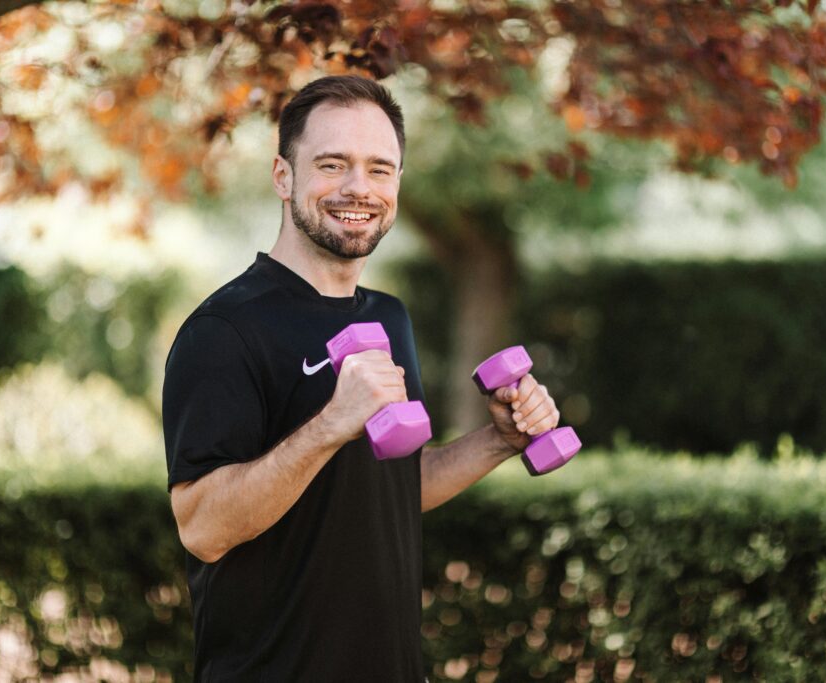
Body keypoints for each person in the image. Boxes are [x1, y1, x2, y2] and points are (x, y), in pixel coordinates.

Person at [162, 75, 561, 682]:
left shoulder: (389, 317)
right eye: (332, 164)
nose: (359, 188)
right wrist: (330, 424)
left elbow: (394, 487)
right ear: (283, 176)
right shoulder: (224, 330)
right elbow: (203, 528)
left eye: (380, 169)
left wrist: (500, 440)